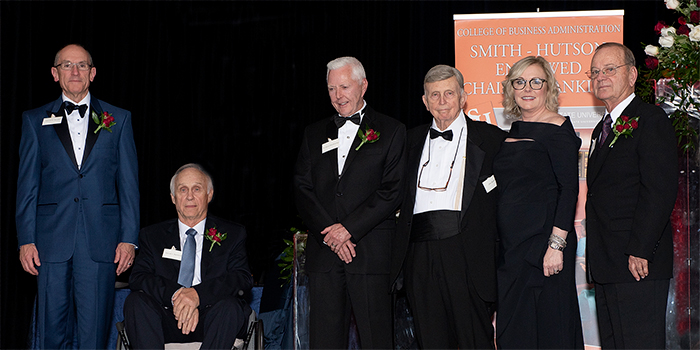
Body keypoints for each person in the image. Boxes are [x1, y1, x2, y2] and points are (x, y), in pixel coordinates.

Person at [16, 43, 139, 349]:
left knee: (94, 332)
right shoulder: (34, 121)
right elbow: (27, 185)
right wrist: (25, 239)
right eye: (67, 65)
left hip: (101, 241)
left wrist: (128, 238)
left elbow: (129, 185)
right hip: (50, 241)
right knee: (51, 331)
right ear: (55, 74)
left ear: (93, 73)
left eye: (82, 65)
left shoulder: (119, 119)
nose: (75, 71)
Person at [390, 64, 506, 349]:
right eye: (434, 95)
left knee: (473, 340)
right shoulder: (408, 140)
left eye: (449, 94)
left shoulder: (492, 139)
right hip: (419, 254)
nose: (442, 102)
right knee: (431, 340)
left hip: (467, 254)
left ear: (463, 96)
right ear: (424, 101)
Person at [294, 56, 406, 349]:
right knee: (324, 341)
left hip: (369, 253)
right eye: (332, 89)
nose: (338, 96)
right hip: (325, 255)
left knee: (376, 340)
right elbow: (302, 189)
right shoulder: (314, 133)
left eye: (344, 87)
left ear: (363, 85)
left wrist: (349, 230)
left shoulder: (392, 130)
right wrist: (332, 233)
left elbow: (392, 190)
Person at [585, 42, 677, 349]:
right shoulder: (601, 130)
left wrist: (640, 249)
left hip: (637, 264)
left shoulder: (651, 119)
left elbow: (659, 190)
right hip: (607, 264)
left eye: (610, 69)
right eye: (595, 72)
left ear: (632, 74)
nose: (601, 77)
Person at [492, 56, 583, 349]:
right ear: (511, 88)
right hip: (512, 249)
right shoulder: (513, 130)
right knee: (515, 331)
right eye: (519, 81)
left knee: (549, 329)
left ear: (548, 87)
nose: (527, 88)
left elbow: (568, 190)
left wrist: (556, 246)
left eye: (535, 81)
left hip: (544, 248)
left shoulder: (559, 129)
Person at [124, 163, 253, 349]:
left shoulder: (233, 234)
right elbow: (139, 277)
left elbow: (241, 278)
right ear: (173, 197)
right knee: (135, 302)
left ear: (209, 195)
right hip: (166, 318)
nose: (190, 196)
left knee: (230, 307)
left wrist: (197, 295)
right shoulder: (152, 236)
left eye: (197, 189)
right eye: (183, 189)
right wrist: (178, 295)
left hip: (213, 319)